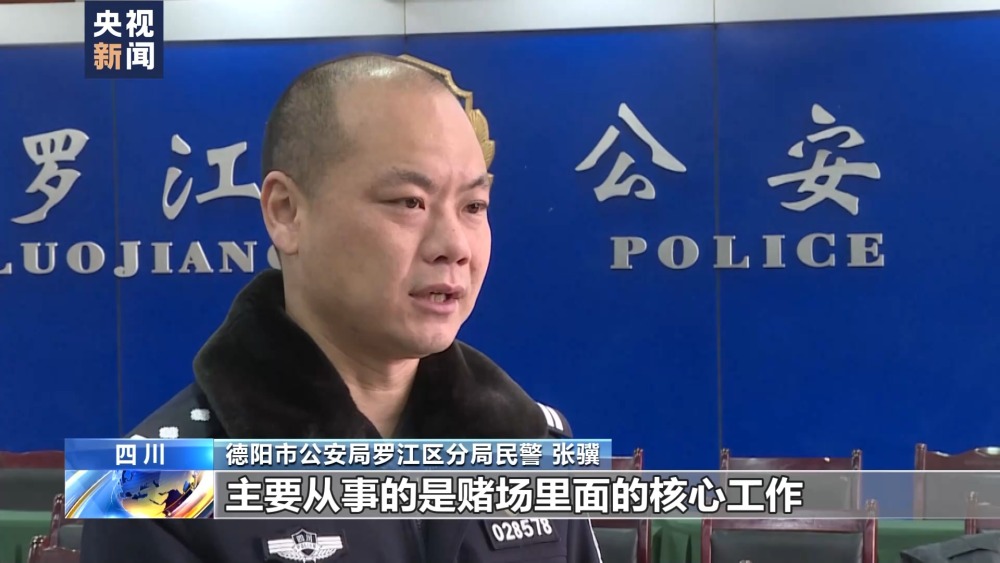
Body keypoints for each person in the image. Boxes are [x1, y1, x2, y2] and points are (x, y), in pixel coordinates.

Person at [81, 53, 604, 562]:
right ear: (286, 211)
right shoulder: (151, 482)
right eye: (409, 202)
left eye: (473, 206)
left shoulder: (529, 441)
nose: (455, 245)